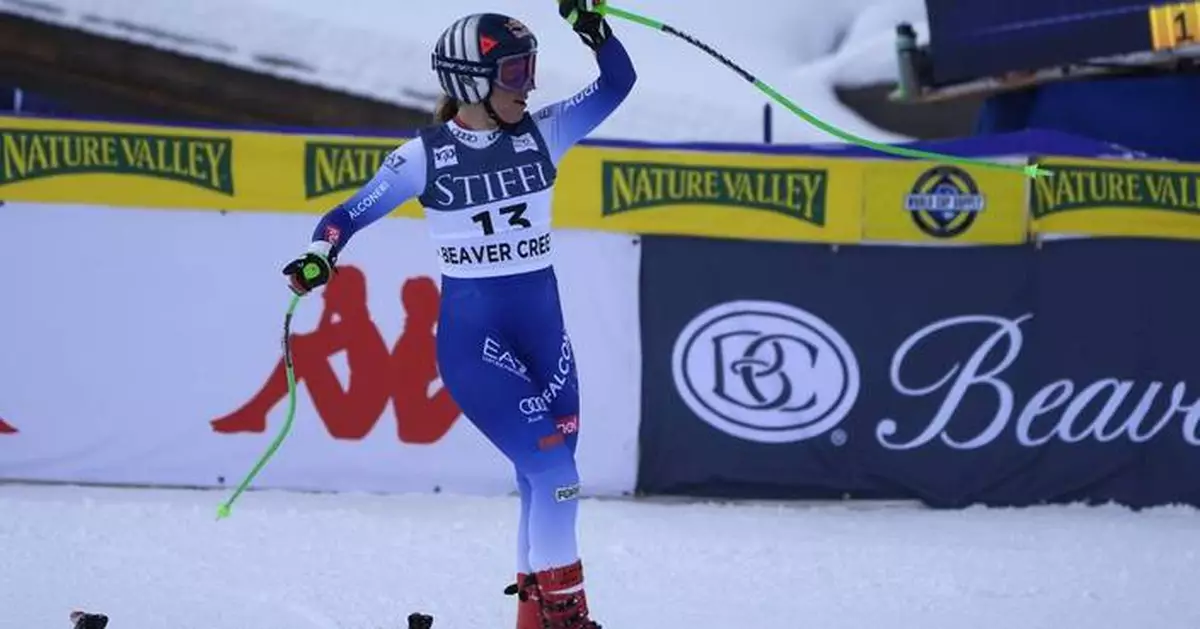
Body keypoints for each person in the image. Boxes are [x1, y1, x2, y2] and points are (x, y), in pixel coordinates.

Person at [280, 2, 636, 628]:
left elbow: (617, 84)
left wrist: (595, 31)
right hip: (478, 345)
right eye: (516, 73)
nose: (530, 86)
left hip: (545, 336)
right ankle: (566, 618)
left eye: (530, 69)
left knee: (541, 479)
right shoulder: (425, 156)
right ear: (472, 81)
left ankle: (536, 621)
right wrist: (319, 256)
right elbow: (346, 215)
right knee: (556, 475)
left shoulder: (544, 132)